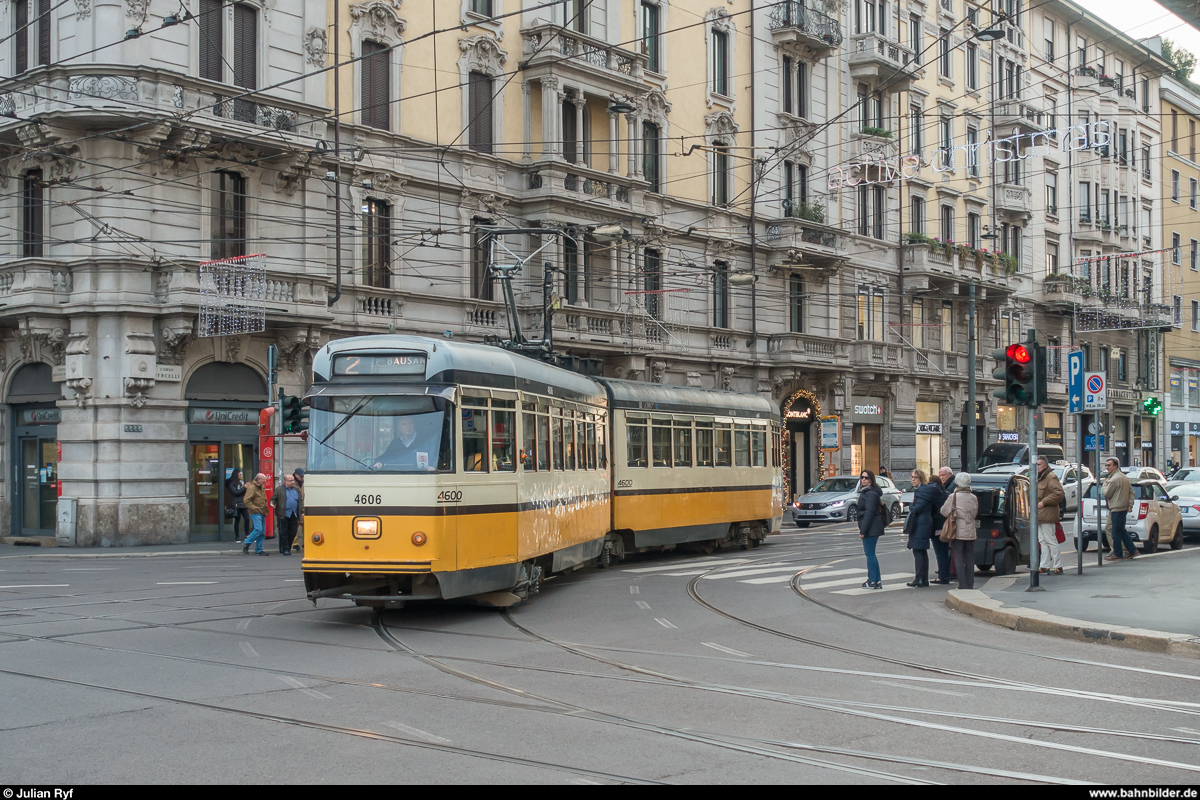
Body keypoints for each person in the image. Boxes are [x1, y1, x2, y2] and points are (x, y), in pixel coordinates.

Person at [941, 472, 980, 589]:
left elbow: (943, 511)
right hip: (971, 531)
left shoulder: (953, 497)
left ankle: (962, 584)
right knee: (969, 558)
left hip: (957, 530)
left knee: (958, 557)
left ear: (957, 482)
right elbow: (975, 513)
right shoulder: (973, 497)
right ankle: (970, 584)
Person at [903, 470, 936, 588]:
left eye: (915, 477)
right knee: (920, 551)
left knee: (918, 551)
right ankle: (922, 578)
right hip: (923, 522)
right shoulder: (924, 490)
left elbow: (917, 508)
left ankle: (920, 578)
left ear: (921, 478)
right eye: (911, 477)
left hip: (921, 524)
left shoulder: (922, 491)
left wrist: (911, 505)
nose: (913, 479)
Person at [1035, 455, 1066, 575]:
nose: (1037, 467)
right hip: (1041, 514)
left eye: (1039, 464)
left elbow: (1059, 493)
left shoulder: (1050, 477)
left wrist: (1044, 502)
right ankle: (1044, 565)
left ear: (1045, 465)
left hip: (1047, 513)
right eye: (1036, 464)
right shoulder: (1041, 477)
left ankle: (1058, 565)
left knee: (1050, 540)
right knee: (1043, 541)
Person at [1103, 457, 1137, 561]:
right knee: (1120, 530)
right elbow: (1131, 492)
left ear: (1115, 466)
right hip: (1121, 507)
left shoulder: (1113, 479)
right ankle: (1132, 550)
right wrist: (1130, 504)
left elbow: (1106, 493)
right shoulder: (1124, 477)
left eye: (1109, 465)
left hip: (1116, 507)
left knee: (1115, 531)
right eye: (1106, 465)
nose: (1107, 467)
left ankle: (1117, 553)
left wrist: (1105, 483)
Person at [858, 470, 886, 589]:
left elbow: (869, 513)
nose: (864, 479)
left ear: (871, 480)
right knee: (871, 554)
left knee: (870, 554)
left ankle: (872, 580)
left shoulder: (870, 493)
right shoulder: (870, 492)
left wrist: (863, 531)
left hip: (871, 527)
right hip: (873, 526)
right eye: (862, 477)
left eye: (866, 478)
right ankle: (877, 581)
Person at [929, 466, 954, 584]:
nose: (942, 477)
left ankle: (942, 576)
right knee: (945, 552)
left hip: (938, 527)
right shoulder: (947, 494)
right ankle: (945, 574)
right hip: (946, 526)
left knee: (940, 553)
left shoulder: (935, 495)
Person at [274, 474, 303, 555]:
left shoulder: (297, 490)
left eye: (293, 480)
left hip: (294, 513)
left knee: (293, 531)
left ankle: (288, 547)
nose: (292, 482)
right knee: (284, 532)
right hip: (283, 514)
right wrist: (272, 503)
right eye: (290, 480)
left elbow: (300, 502)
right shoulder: (279, 489)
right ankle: (286, 549)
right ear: (286, 481)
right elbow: (274, 499)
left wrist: (302, 512)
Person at [242, 473, 270, 556]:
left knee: (262, 532)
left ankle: (259, 549)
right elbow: (246, 500)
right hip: (256, 512)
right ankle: (247, 543)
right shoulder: (252, 488)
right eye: (263, 479)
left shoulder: (261, 487)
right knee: (258, 529)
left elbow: (264, 500)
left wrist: (266, 510)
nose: (265, 481)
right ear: (258, 480)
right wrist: (255, 509)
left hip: (262, 511)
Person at [225, 469, 249, 542]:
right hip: (236, 503)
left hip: (243, 503)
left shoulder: (242, 482)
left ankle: (247, 535)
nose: (240, 476)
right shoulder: (231, 484)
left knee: (247, 519)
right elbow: (236, 492)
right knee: (237, 520)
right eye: (239, 474)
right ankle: (237, 536)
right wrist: (244, 487)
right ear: (236, 475)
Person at [292, 468, 305, 553]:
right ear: (296, 475)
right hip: (295, 506)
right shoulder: (292, 482)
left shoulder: (304, 482)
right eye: (300, 476)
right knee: (295, 526)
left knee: (305, 525)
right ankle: (295, 543)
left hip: (302, 507)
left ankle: (305, 543)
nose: (302, 477)